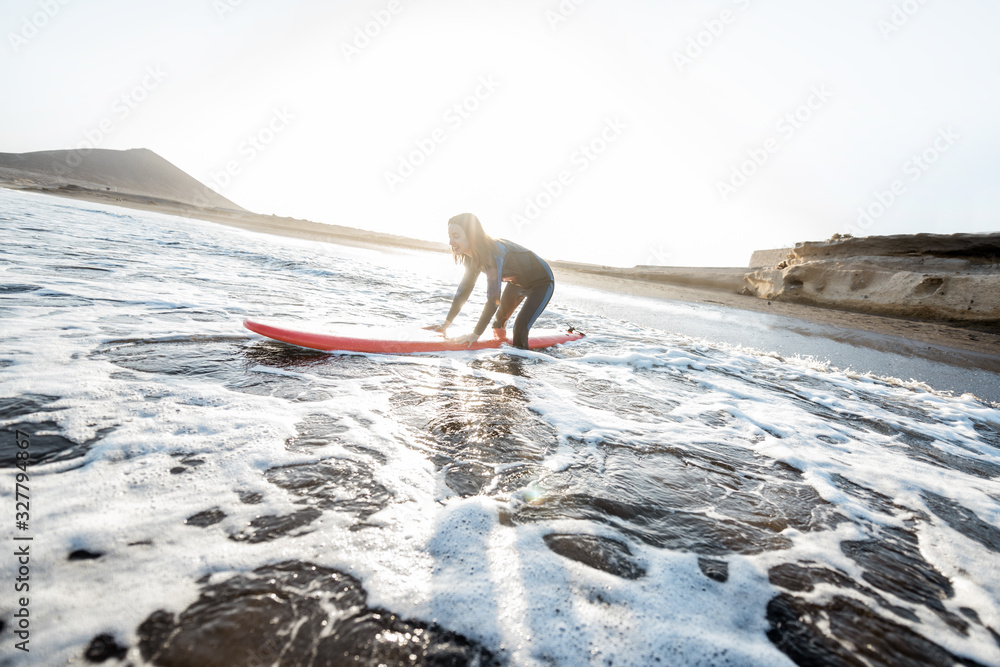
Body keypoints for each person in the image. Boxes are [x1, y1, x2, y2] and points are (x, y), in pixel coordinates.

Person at [424, 212, 554, 349]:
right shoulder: (471, 257)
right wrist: (445, 325)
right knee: (498, 324)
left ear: (472, 236)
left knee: (520, 328)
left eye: (456, 236)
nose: (450, 242)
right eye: (449, 236)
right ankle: (502, 355)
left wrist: (475, 335)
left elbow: (493, 299)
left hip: (541, 282)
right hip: (516, 284)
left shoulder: (493, 253)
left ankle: (519, 362)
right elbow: (464, 291)